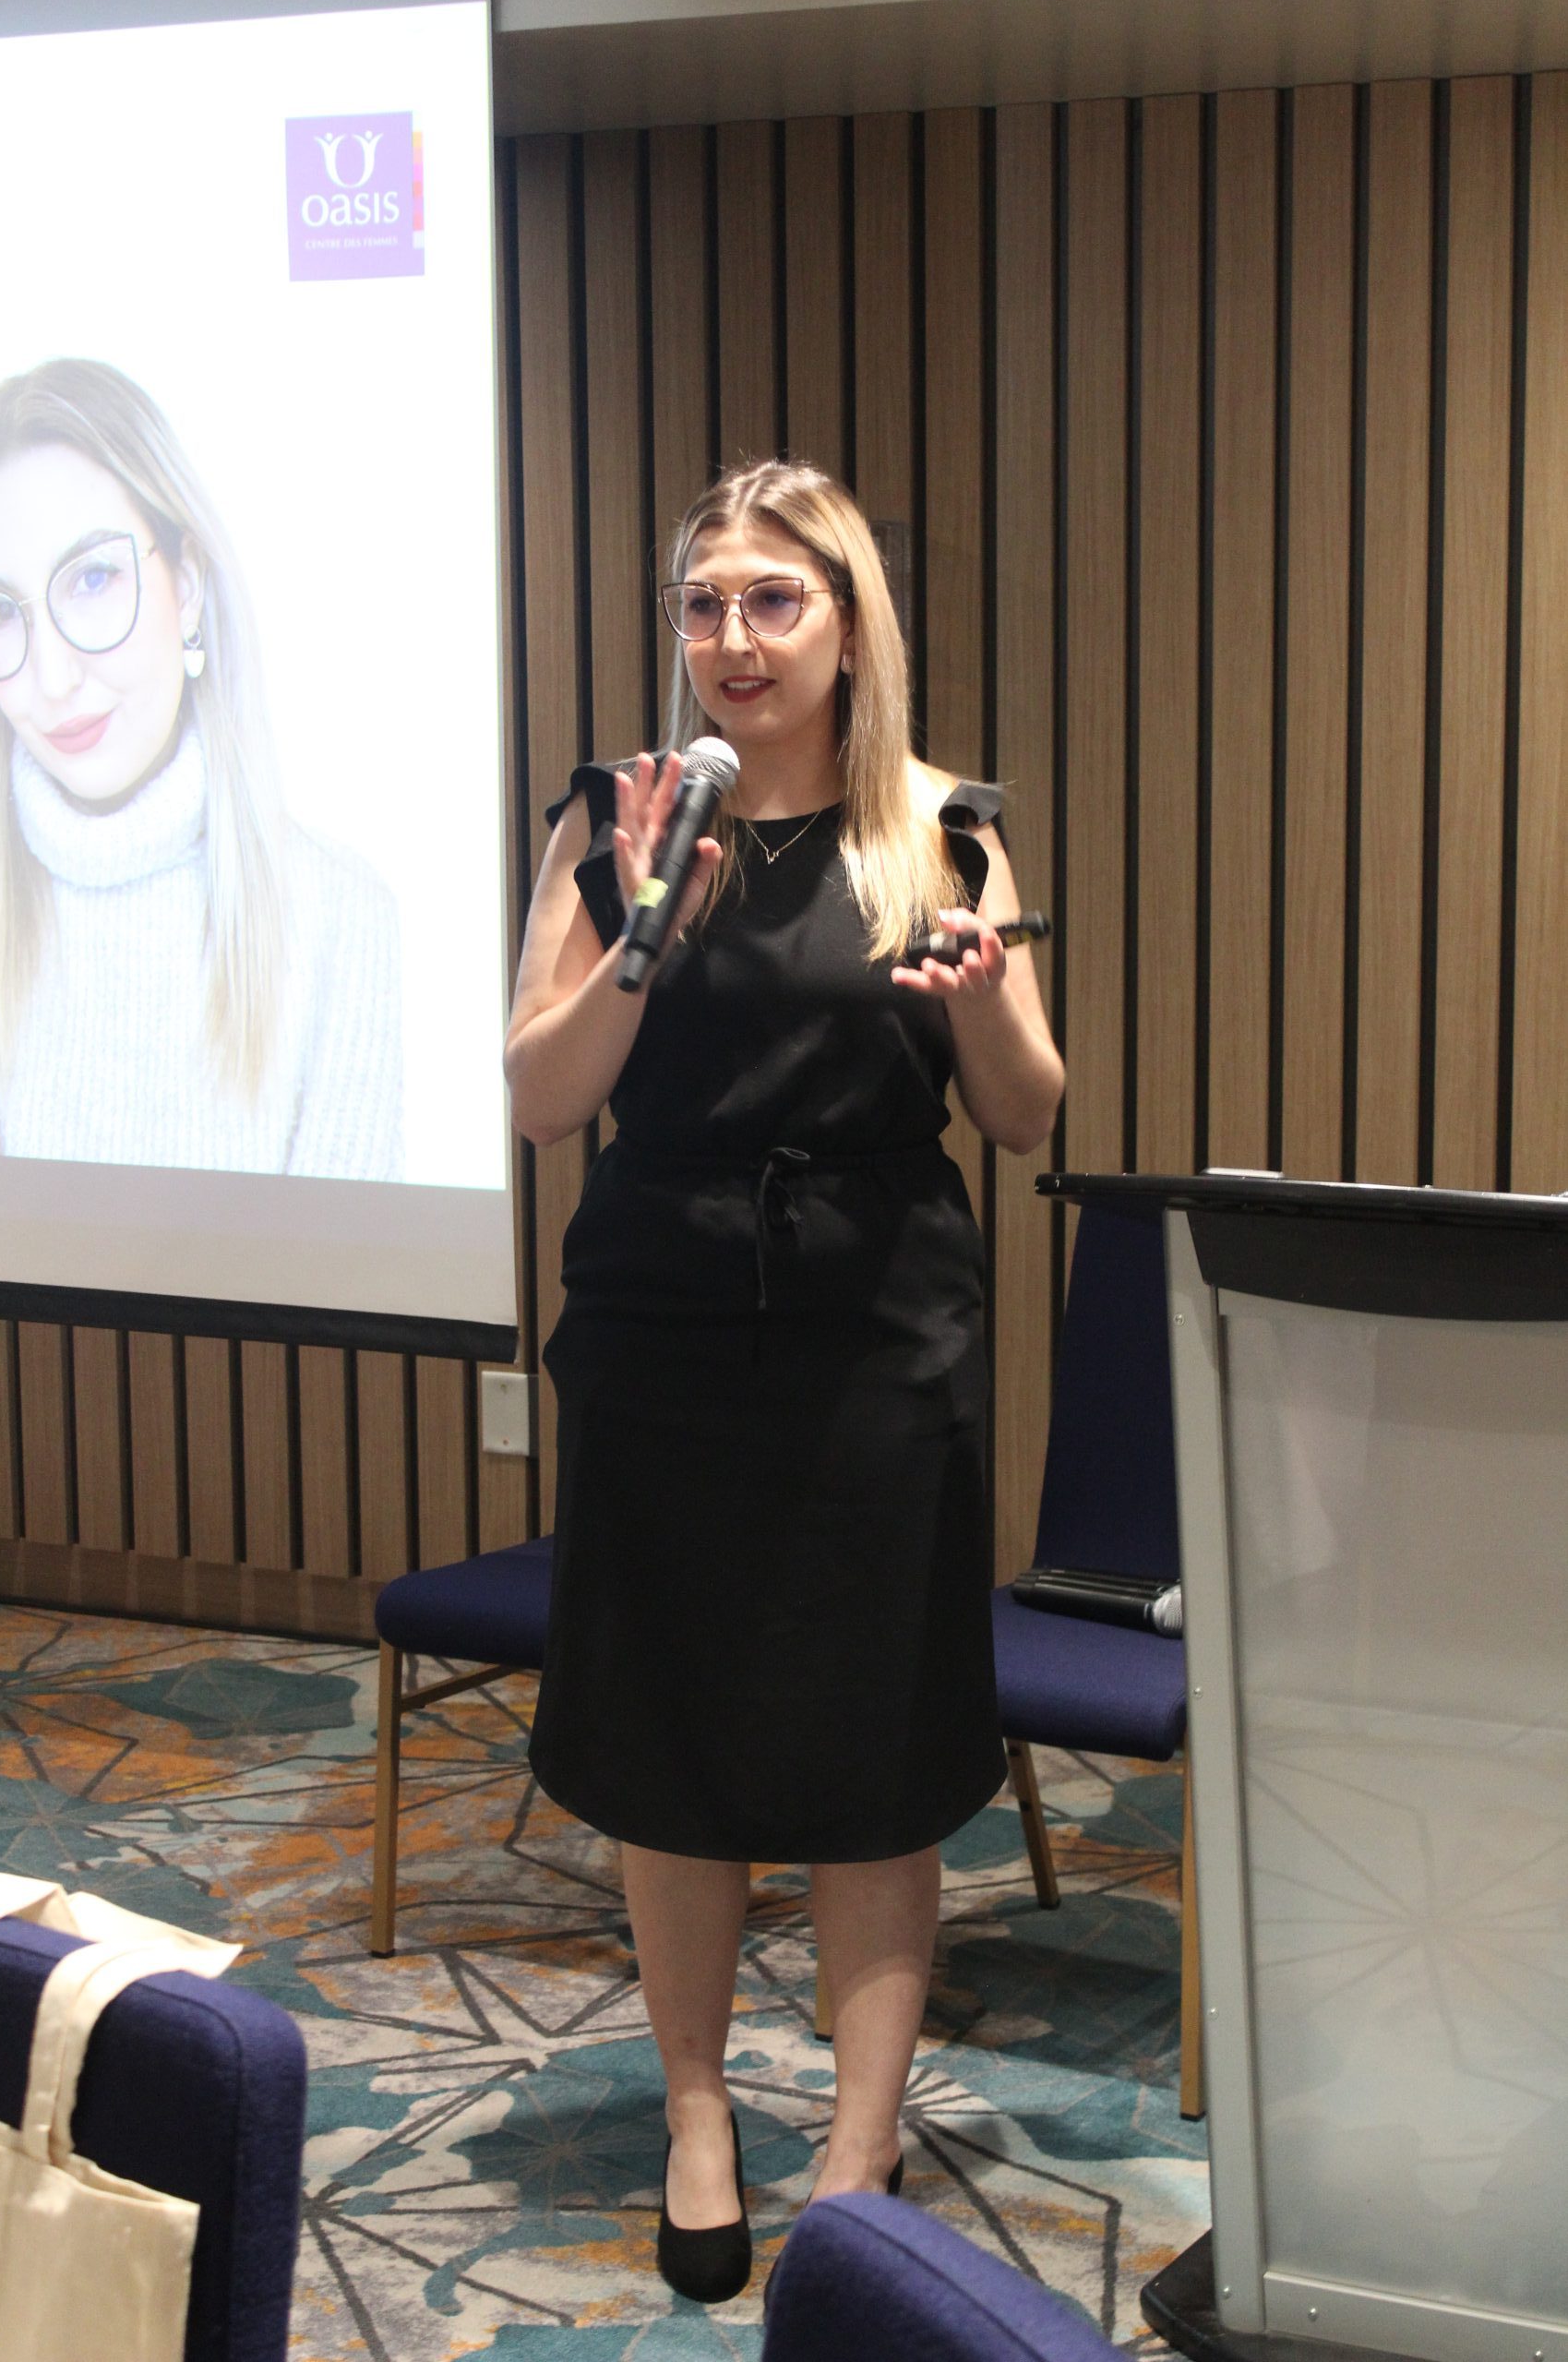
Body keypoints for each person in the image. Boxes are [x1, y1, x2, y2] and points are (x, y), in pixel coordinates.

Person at [505, 459, 1063, 2305]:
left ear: (846, 625)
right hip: (664, 1334)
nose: (730, 639)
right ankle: (695, 2114)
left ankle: (856, 2139)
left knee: (869, 1753)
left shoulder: (940, 827)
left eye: (771, 600)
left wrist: (978, 999)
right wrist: (645, 935)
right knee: (670, 1747)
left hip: (877, 1343)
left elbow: (1022, 1109)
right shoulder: (614, 820)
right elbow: (541, 1095)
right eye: (702, 603)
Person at [0, 356, 403, 1179]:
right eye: (0, 612)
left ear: (185, 584)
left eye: (93, 579)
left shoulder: (340, 917)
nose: (54, 676)